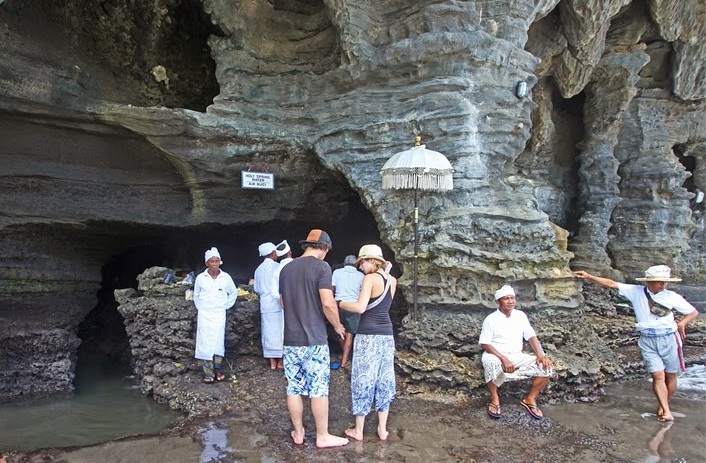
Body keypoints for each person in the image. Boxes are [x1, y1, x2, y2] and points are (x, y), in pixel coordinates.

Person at [574, 265, 699, 422]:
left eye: (664, 282)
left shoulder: (671, 296)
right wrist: (589, 276)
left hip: (669, 338)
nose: (662, 285)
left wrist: (682, 324)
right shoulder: (636, 291)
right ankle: (666, 411)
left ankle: (664, 404)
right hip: (647, 339)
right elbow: (611, 284)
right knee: (657, 375)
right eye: (659, 282)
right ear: (649, 282)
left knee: (671, 375)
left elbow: (693, 312)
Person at [278, 229, 348, 448]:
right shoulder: (322, 267)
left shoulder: (286, 268)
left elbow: (282, 302)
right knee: (318, 388)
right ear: (324, 248)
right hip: (314, 340)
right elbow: (328, 303)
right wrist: (337, 326)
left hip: (291, 339)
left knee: (294, 387)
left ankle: (298, 433)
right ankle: (322, 436)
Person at [339, 244, 397, 441]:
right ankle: (382, 429)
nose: (360, 267)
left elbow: (361, 307)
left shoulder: (370, 278)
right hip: (387, 336)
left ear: (371, 260)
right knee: (384, 379)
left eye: (361, 262)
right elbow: (382, 308)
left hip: (368, 335)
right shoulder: (393, 280)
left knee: (363, 378)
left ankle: (358, 430)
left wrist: (340, 303)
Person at [478, 285, 553, 420]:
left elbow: (531, 336)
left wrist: (541, 355)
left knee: (546, 367)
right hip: (496, 355)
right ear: (498, 302)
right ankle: (495, 399)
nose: (510, 301)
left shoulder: (520, 316)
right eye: (506, 299)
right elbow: (485, 343)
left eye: (512, 298)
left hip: (517, 355)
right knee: (491, 362)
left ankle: (530, 399)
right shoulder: (491, 319)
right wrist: (503, 358)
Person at [193, 247, 237, 383]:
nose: (214, 264)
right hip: (205, 316)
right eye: (212, 261)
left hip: (219, 315)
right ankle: (208, 374)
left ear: (220, 262)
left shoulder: (226, 277)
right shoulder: (201, 278)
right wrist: (202, 309)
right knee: (205, 343)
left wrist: (225, 306)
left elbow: (233, 293)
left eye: (216, 261)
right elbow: (196, 297)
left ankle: (218, 371)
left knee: (218, 343)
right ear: (207, 263)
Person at [332, 254, 364, 368]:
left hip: (338, 305)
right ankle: (345, 360)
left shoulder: (336, 272)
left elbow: (332, 289)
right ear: (356, 264)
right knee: (350, 333)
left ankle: (343, 353)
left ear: (344, 263)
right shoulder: (361, 275)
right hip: (353, 307)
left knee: (340, 330)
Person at [254, 241, 282, 370]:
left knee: (268, 332)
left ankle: (272, 362)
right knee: (280, 331)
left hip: (265, 304)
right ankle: (281, 361)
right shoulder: (278, 267)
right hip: (277, 303)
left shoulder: (258, 269)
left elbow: (256, 288)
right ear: (272, 253)